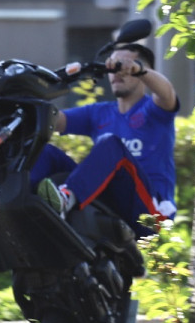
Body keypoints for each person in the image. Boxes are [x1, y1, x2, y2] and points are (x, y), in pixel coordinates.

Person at [30, 42, 179, 236]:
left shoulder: (155, 111)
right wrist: (24, 95)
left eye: (124, 64)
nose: (117, 71)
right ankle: (27, 209)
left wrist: (138, 69)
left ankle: (67, 197)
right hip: (109, 202)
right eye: (112, 65)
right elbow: (52, 120)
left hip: (152, 215)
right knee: (45, 152)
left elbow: (167, 93)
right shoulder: (99, 113)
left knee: (111, 144)